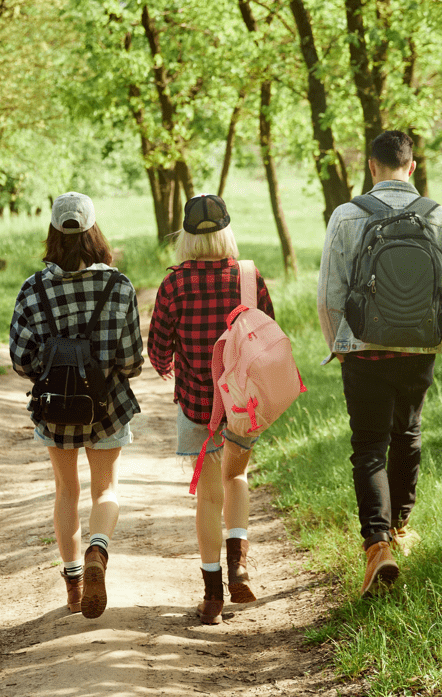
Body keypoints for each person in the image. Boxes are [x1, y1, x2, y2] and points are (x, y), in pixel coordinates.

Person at [317, 130, 442, 598]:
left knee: (370, 445)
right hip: (420, 348)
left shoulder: (346, 216)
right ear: (411, 167)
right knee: (408, 435)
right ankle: (399, 529)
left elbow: (329, 296)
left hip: (363, 347)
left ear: (372, 167)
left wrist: (340, 346)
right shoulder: (440, 217)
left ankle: (377, 545)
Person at [9, 192, 144, 619]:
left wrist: (56, 370)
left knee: (66, 491)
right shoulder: (118, 286)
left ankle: (73, 587)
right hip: (106, 408)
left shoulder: (33, 289)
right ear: (93, 232)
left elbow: (20, 360)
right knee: (105, 489)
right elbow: (131, 360)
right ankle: (97, 552)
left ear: (53, 232)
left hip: (56, 408)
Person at [148, 194, 274, 625]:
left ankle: (213, 596)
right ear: (226, 231)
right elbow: (268, 336)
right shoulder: (249, 276)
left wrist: (168, 366)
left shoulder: (175, 283)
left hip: (198, 404)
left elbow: (158, 349)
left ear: (185, 236)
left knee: (207, 496)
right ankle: (239, 562)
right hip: (243, 403)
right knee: (237, 477)